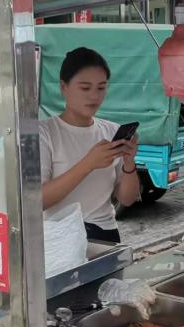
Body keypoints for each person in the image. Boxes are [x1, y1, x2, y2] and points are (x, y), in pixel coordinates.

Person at [39, 47, 140, 243]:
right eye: (85, 88)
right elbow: (39, 201)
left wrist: (129, 163)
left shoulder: (111, 131)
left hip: (105, 234)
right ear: (63, 87)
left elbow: (127, 199)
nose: (94, 96)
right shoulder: (45, 133)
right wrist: (89, 163)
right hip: (60, 238)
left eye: (101, 88)